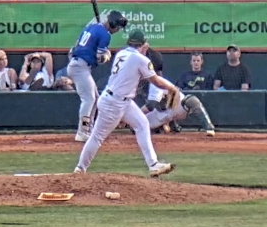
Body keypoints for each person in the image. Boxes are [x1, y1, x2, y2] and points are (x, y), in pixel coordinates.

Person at [73, 30, 178, 178]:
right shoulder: (140, 59)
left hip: (121, 100)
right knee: (97, 137)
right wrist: (172, 88)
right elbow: (156, 81)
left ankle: (153, 165)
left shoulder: (122, 53)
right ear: (144, 45)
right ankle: (80, 169)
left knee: (142, 124)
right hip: (114, 103)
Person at [67, 11, 129, 142]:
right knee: (89, 99)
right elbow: (99, 57)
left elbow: (76, 46)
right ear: (113, 24)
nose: (117, 30)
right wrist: (106, 55)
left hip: (78, 64)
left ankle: (88, 130)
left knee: (95, 99)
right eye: (117, 27)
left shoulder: (91, 27)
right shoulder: (105, 35)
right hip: (80, 66)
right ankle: (82, 132)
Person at [142, 48, 215, 137]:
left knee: (191, 100)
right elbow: (151, 106)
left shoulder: (157, 81)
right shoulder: (142, 81)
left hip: (175, 107)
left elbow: (151, 105)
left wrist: (136, 114)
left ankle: (209, 127)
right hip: (159, 114)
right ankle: (165, 126)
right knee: (137, 127)